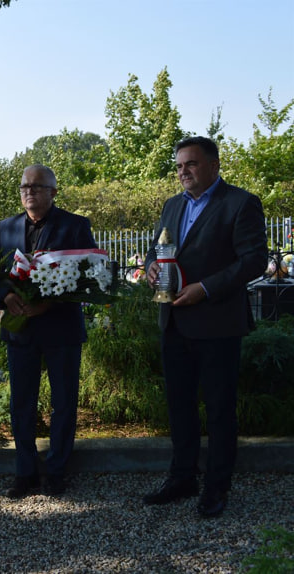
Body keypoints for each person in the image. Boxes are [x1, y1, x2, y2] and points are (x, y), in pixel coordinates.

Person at [142, 136, 268, 518]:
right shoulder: (171, 205)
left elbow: (254, 261)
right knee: (179, 407)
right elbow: (156, 248)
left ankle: (216, 487)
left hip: (216, 323)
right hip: (174, 321)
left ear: (213, 165)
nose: (183, 172)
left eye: (191, 164)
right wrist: (150, 267)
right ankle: (182, 478)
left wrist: (206, 288)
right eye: (179, 166)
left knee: (219, 410)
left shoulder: (240, 203)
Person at [0, 164, 97, 498]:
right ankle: (25, 472)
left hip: (61, 327)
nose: (29, 192)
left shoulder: (76, 226)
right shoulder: (5, 228)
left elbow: (87, 273)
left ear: (53, 191)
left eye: (37, 187)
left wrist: (48, 304)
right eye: (24, 187)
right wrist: (6, 296)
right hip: (21, 328)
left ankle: (56, 471)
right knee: (22, 403)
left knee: (63, 403)